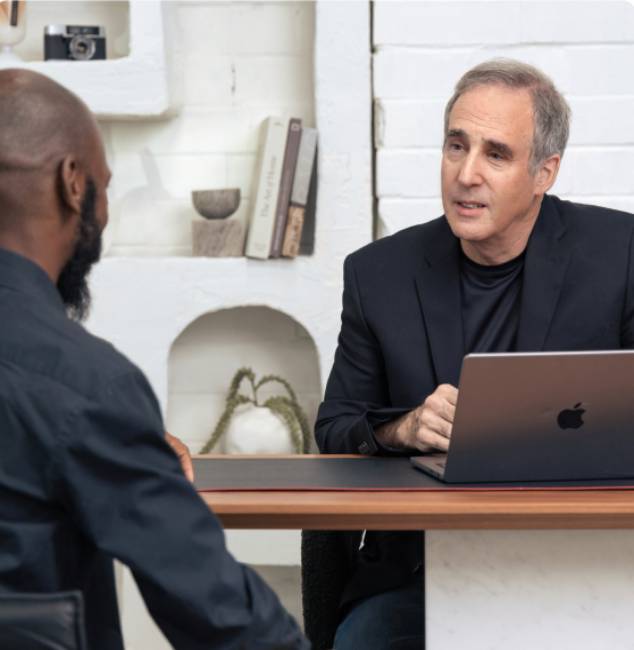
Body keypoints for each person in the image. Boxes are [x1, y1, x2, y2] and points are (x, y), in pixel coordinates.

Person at [316, 58, 634, 649]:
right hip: (427, 571)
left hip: (593, 561)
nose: (466, 174)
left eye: (497, 154)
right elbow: (334, 428)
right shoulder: (377, 275)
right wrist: (405, 428)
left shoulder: (622, 254)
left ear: (544, 173)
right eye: (456, 146)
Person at [0, 69, 309, 650]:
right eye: (104, 186)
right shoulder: (89, 387)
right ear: (72, 184)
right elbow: (219, 616)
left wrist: (125, 442)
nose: (104, 214)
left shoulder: (84, 397)